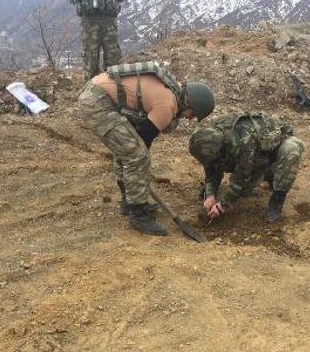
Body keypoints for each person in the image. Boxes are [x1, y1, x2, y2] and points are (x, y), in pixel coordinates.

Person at [78, 61, 215, 236]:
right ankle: (138, 214)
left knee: (130, 149)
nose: (190, 119)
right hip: (97, 104)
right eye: (193, 114)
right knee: (137, 155)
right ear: (189, 103)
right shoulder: (168, 104)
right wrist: (138, 178)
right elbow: (143, 142)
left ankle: (130, 201)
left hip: (98, 95)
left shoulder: (173, 89)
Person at [189, 112, 304, 222]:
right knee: (243, 187)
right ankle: (264, 171)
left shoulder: (244, 142)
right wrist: (210, 194)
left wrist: (222, 205)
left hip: (274, 146)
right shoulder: (209, 137)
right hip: (254, 153)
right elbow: (211, 167)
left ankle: (277, 196)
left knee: (291, 150)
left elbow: (242, 177)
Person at [67, 0, 126, 79]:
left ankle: (113, 90)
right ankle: (91, 91)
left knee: (113, 61)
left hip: (109, 22)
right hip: (88, 23)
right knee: (90, 63)